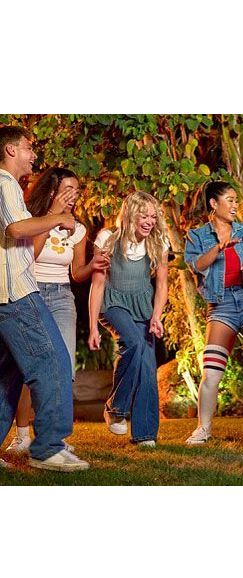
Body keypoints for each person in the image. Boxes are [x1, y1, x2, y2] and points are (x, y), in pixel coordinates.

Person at [0, 126, 89, 471]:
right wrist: (58, 217)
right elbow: (15, 229)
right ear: (10, 150)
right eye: (28, 147)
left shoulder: (9, 187)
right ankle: (48, 448)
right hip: (17, 292)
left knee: (8, 376)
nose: (33, 154)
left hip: (7, 293)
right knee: (53, 362)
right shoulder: (5, 183)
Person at [4, 167, 109, 454]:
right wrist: (52, 218)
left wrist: (94, 265)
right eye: (68, 189)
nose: (74, 195)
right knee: (30, 368)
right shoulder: (32, 219)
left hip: (62, 297)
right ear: (52, 190)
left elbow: (77, 273)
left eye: (77, 190)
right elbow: (29, 257)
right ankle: (22, 435)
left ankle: (50, 437)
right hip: (31, 292)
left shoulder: (79, 229)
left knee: (62, 366)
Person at [184, 181, 243, 445]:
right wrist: (218, 248)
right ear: (214, 204)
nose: (236, 205)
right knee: (211, 373)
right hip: (221, 307)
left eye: (237, 200)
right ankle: (203, 429)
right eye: (230, 200)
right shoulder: (197, 236)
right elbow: (196, 266)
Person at [88, 191, 169, 447]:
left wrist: (156, 316)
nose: (149, 221)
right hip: (113, 303)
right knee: (134, 343)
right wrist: (93, 327)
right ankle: (116, 409)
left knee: (146, 364)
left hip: (142, 306)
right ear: (130, 215)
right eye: (144, 216)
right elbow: (97, 285)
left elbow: (162, 284)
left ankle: (145, 434)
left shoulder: (159, 241)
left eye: (153, 216)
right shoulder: (107, 238)